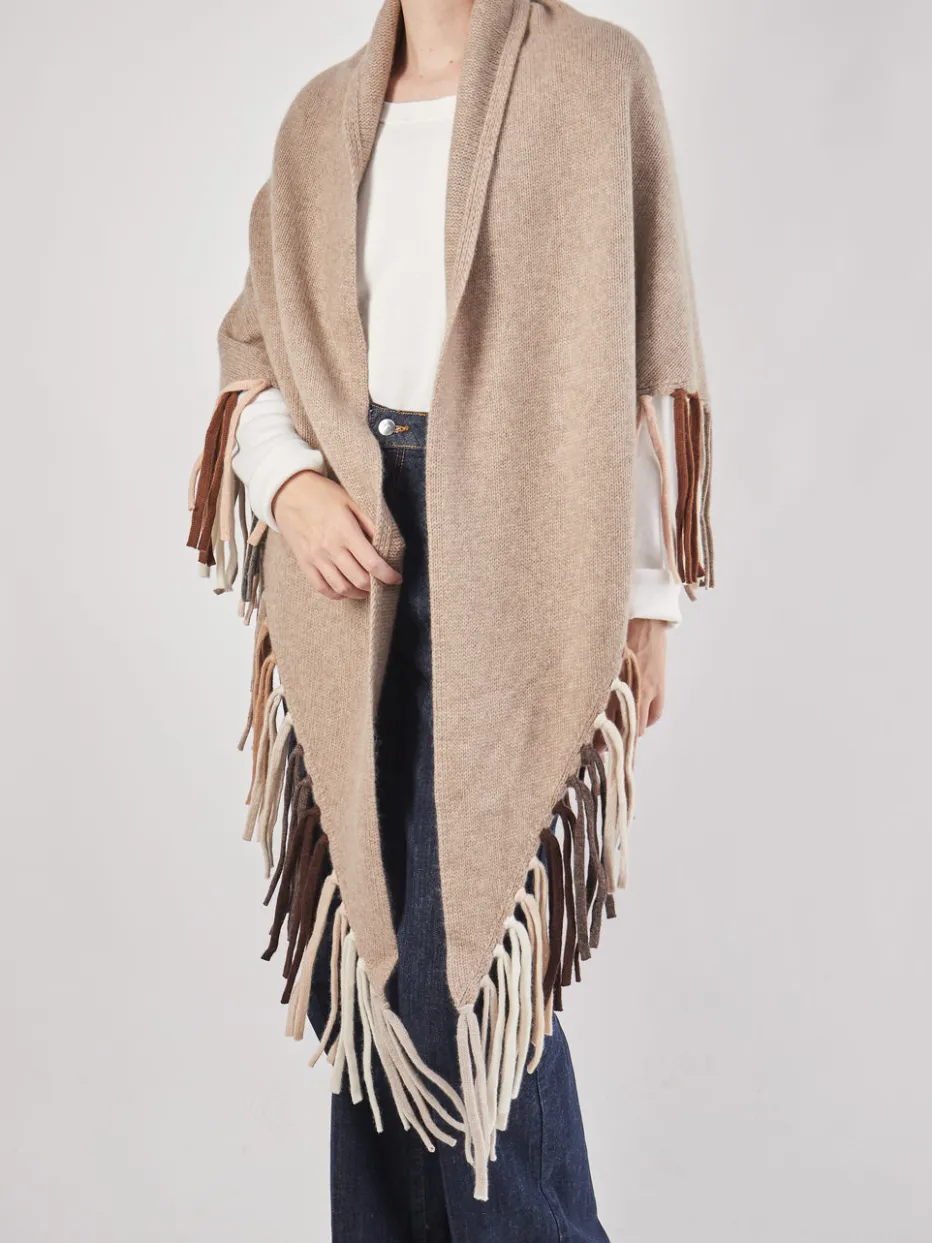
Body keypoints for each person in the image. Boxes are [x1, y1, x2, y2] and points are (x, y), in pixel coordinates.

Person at [185, 0, 714, 1238]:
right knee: (365, 998)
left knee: (459, 995)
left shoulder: (593, 78)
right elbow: (254, 350)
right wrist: (291, 486)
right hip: (351, 573)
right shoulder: (320, 120)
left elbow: (645, 349)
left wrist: (646, 600)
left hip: (528, 562)